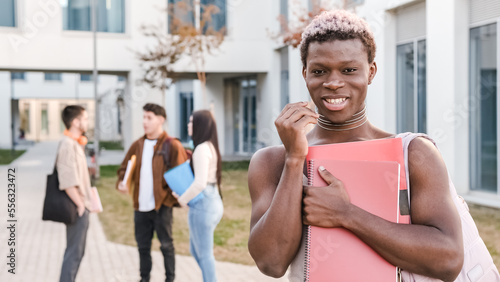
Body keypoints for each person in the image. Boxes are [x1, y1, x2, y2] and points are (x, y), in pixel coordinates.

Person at [247, 9, 500, 282]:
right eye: (320, 71)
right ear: (305, 73)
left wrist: (346, 214)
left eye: (349, 70)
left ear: (371, 72)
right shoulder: (273, 162)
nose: (333, 82)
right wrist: (295, 160)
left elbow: (449, 260)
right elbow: (271, 262)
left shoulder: (413, 154)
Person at [116, 103, 188, 282]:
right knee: (142, 247)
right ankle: (144, 278)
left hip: (161, 206)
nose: (144, 122)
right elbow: (124, 169)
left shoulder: (172, 145)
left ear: (161, 120)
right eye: (143, 117)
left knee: (166, 246)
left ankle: (170, 279)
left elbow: (180, 175)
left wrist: (175, 197)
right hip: (140, 206)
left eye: (149, 118)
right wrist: (121, 183)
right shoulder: (138, 145)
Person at [174, 110, 224, 282]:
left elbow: (200, 183)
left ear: (199, 126)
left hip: (204, 204)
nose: (188, 125)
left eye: (191, 122)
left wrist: (182, 199)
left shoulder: (201, 149)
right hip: (213, 202)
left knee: (204, 254)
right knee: (196, 251)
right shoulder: (210, 146)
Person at [57, 105, 93, 282]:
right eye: (85, 118)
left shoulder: (75, 143)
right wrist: (80, 205)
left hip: (82, 205)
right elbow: (67, 181)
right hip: (77, 207)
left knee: (77, 253)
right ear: (75, 122)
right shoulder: (67, 145)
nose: (87, 122)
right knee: (73, 254)